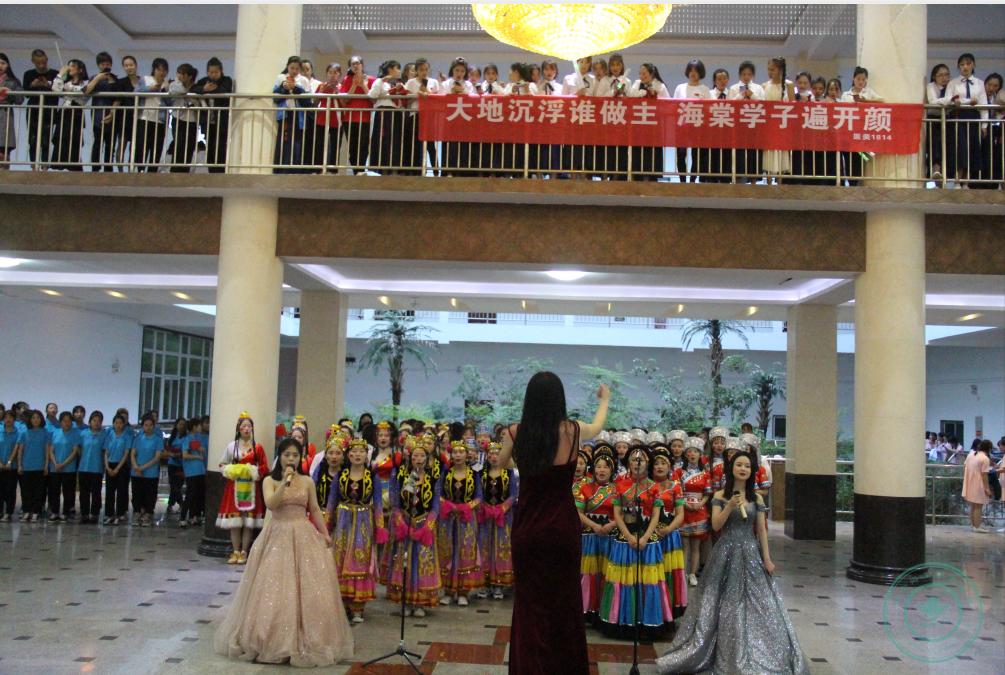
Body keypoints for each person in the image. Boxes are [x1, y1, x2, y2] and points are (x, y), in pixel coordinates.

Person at [657, 449, 808, 674]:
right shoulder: (719, 496)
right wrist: (729, 506)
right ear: (731, 469)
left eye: (747, 466)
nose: (743, 469)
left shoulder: (756, 498)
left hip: (750, 553)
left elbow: (761, 531)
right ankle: (723, 649)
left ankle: (756, 649)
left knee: (756, 601)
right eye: (739, 465)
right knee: (722, 602)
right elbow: (716, 525)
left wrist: (767, 558)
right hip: (725, 552)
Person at [500, 373, 609, 675]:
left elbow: (501, 462)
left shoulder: (515, 432)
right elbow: (598, 426)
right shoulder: (573, 431)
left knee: (529, 604)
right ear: (559, 399)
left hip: (528, 530)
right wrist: (605, 400)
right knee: (565, 602)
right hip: (562, 528)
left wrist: (524, 465)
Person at [214, 438, 354, 667]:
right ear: (280, 456)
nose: (291, 459)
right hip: (277, 533)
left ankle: (307, 636)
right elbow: (271, 503)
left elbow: (314, 508)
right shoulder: (269, 481)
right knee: (275, 585)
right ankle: (271, 638)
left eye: (295, 455)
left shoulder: (307, 481)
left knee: (307, 585)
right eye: (287, 455)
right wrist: (285, 483)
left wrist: (324, 533)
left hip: (303, 533)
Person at [599, 444, 672, 638]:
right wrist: (629, 536)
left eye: (641, 460)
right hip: (625, 538)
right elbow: (617, 514)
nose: (637, 463)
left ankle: (647, 622)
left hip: (648, 538)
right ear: (628, 463)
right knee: (624, 580)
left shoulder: (655, 487)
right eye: (633, 459)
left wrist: (646, 537)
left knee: (648, 581)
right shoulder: (620, 486)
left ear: (647, 463)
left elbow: (656, 515)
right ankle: (623, 621)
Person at [327, 438, 385, 623]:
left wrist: (380, 528)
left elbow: (378, 505)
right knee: (340, 558)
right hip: (342, 522)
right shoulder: (340, 476)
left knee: (360, 560)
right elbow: (331, 502)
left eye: (361, 451)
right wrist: (327, 525)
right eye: (354, 451)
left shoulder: (373, 477)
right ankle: (343, 604)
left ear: (366, 455)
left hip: (363, 523)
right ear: (348, 455)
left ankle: (358, 607)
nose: (357, 454)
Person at [386, 443, 442, 617]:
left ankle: (420, 603)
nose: (418, 459)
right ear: (410, 459)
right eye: (415, 456)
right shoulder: (407, 478)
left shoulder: (433, 479)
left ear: (427, 459)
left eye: (422, 456)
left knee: (423, 563)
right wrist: (401, 522)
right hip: (406, 524)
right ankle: (407, 601)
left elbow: (435, 506)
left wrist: (428, 526)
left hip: (424, 525)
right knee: (405, 562)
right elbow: (397, 503)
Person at [217, 412, 270, 564]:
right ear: (238, 429)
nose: (246, 429)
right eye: (243, 426)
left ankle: (244, 551)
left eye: (249, 426)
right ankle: (235, 551)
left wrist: (252, 471)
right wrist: (232, 470)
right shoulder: (231, 447)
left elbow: (264, 467)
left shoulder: (258, 448)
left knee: (248, 522)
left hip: (251, 488)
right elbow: (222, 464)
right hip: (234, 488)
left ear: (252, 428)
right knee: (235, 522)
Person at [576, 444, 617, 618]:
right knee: (588, 573)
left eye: (606, 467)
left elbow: (623, 515)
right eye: (598, 466)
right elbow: (578, 513)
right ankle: (586, 609)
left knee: (608, 572)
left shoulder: (618, 489)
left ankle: (605, 609)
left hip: (610, 535)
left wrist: (611, 525)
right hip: (589, 536)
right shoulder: (585, 488)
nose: (602, 470)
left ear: (612, 470)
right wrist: (594, 526)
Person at [478, 441, 518, 600]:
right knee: (485, 547)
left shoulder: (509, 473)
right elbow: (478, 494)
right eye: (491, 454)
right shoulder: (481, 474)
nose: (494, 457)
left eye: (497, 454)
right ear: (486, 456)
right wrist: (485, 507)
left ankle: (499, 585)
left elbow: (513, 494)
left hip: (504, 517)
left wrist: (502, 508)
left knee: (502, 548)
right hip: (485, 517)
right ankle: (485, 584)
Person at [945, 53, 987, 187]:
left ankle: (966, 182)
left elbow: (984, 105)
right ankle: (957, 181)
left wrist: (984, 125)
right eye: (962, 64)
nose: (965, 67)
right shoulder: (953, 83)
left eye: (968, 64)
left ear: (973, 65)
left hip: (973, 117)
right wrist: (962, 101)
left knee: (972, 148)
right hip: (958, 116)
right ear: (958, 67)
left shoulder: (980, 83)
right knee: (960, 148)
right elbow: (948, 99)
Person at [676, 436, 710, 587]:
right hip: (683, 509)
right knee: (684, 546)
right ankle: (682, 574)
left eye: (695, 451)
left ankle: (693, 574)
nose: (692, 454)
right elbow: (676, 491)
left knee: (696, 546)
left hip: (699, 510)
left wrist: (700, 504)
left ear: (700, 454)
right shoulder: (678, 472)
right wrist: (685, 503)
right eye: (689, 451)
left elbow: (707, 493)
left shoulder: (705, 473)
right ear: (685, 454)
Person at [629, 64, 670, 181]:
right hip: (638, 124)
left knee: (652, 151)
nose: (641, 76)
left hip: (654, 126)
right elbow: (630, 95)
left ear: (651, 74)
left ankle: (652, 177)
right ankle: (637, 175)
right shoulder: (637, 83)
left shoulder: (660, 86)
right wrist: (641, 92)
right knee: (638, 150)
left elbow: (668, 104)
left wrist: (655, 95)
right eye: (640, 74)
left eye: (644, 74)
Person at [192, 57, 233, 173]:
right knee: (209, 147)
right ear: (207, 72)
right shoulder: (204, 81)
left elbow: (224, 90)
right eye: (211, 72)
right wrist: (204, 89)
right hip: (208, 122)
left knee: (220, 147)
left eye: (216, 72)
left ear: (221, 71)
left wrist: (208, 90)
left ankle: (220, 172)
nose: (213, 75)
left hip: (222, 121)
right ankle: (211, 172)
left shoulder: (226, 80)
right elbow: (193, 89)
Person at [22, 49, 60, 168]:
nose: (41, 66)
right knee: (32, 138)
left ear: (47, 60)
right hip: (33, 108)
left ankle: (45, 165)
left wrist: (48, 86)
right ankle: (34, 164)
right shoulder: (28, 74)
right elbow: (26, 94)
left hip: (49, 109)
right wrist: (32, 85)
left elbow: (59, 92)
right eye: (38, 63)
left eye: (43, 62)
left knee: (46, 138)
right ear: (33, 61)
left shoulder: (55, 74)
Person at [673, 59, 710, 183]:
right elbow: (674, 106)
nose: (693, 73)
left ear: (700, 73)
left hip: (698, 126)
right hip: (682, 126)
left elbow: (708, 107)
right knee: (681, 153)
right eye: (691, 70)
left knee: (696, 154)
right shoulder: (680, 88)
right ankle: (682, 180)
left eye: (696, 71)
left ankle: (693, 180)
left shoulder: (704, 89)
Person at [50, 60, 90, 171]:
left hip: (76, 113)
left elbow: (81, 92)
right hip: (65, 113)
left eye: (72, 66)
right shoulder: (67, 83)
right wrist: (60, 74)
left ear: (80, 69)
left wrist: (69, 90)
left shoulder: (86, 83)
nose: (70, 68)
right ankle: (59, 164)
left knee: (74, 140)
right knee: (61, 139)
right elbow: (56, 90)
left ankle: (73, 165)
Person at [84, 52, 121, 171]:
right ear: (98, 65)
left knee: (110, 144)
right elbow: (86, 91)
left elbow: (118, 97)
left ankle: (108, 168)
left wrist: (112, 112)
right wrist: (98, 78)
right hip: (98, 114)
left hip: (113, 114)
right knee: (98, 142)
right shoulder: (94, 78)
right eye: (103, 64)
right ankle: (95, 168)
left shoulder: (115, 79)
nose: (106, 66)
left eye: (108, 64)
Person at [339, 55, 376, 174]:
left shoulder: (371, 80)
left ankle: (361, 169)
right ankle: (356, 171)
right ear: (350, 67)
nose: (355, 66)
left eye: (357, 63)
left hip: (365, 118)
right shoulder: (347, 79)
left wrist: (363, 85)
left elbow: (374, 100)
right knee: (353, 146)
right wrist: (354, 85)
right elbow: (345, 100)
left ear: (362, 65)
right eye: (353, 64)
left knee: (363, 146)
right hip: (349, 118)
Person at [47, 411, 81, 521]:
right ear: (60, 422)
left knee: (68, 492)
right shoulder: (55, 432)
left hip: (69, 469)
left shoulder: (75, 434)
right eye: (64, 421)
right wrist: (55, 463)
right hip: (55, 468)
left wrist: (63, 464)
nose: (67, 423)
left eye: (69, 421)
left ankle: (66, 512)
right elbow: (51, 450)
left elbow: (75, 452)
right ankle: (55, 512)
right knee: (54, 492)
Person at [15, 410, 49, 521]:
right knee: (26, 491)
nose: (35, 420)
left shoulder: (45, 432)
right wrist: (19, 465)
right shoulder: (24, 432)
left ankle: (36, 512)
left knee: (38, 491)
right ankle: (26, 511)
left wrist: (46, 465)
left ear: (41, 419)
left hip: (40, 466)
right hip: (26, 466)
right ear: (30, 420)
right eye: (33, 418)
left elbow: (47, 450)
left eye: (38, 417)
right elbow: (20, 450)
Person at [131, 414, 162, 526]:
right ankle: (137, 512)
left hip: (151, 473)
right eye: (146, 425)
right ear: (142, 426)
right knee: (137, 494)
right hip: (137, 472)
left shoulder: (158, 440)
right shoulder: (138, 438)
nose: (148, 427)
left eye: (150, 425)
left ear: (154, 426)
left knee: (150, 494)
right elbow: (133, 454)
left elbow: (157, 457)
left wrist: (143, 467)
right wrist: (136, 466)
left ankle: (148, 514)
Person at [168, 63, 200, 171]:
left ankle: (185, 172)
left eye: (182, 74)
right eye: (178, 73)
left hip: (192, 121)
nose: (179, 76)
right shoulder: (175, 84)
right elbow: (180, 90)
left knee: (189, 147)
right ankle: (175, 172)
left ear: (189, 76)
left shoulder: (196, 87)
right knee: (179, 146)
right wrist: (179, 82)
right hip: (178, 119)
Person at [103, 413, 133, 524]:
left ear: (124, 424)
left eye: (120, 423)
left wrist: (117, 468)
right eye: (116, 423)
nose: (118, 425)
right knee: (109, 492)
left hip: (122, 466)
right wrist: (107, 467)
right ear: (113, 424)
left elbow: (126, 454)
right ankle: (109, 514)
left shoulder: (127, 436)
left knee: (121, 491)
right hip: (110, 465)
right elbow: (106, 452)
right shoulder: (109, 434)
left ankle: (120, 514)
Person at [77, 411, 106, 524]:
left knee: (96, 493)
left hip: (97, 468)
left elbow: (105, 451)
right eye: (94, 420)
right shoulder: (83, 434)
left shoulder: (104, 435)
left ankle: (94, 514)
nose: (96, 423)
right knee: (84, 493)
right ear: (89, 422)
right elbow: (78, 448)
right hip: (84, 467)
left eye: (99, 421)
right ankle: (84, 514)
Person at [179, 417, 206, 527]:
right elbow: (185, 455)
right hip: (191, 472)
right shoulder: (187, 439)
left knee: (198, 495)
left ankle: (193, 516)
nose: (201, 427)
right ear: (194, 427)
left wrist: (201, 451)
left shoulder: (196, 438)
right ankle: (182, 518)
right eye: (199, 425)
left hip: (200, 471)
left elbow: (200, 449)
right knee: (190, 495)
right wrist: (197, 457)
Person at [962, 440, 992, 533]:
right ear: (989, 449)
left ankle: (973, 525)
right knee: (978, 506)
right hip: (979, 484)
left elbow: (964, 466)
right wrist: (987, 488)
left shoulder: (971, 455)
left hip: (969, 482)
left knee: (973, 505)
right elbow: (984, 475)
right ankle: (977, 526)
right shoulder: (985, 459)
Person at [0, 410, 21, 520]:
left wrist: (9, 462)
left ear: (14, 419)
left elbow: (16, 449)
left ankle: (8, 513)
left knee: (10, 491)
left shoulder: (18, 433)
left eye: (10, 417)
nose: (8, 419)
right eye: (6, 417)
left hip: (12, 467)